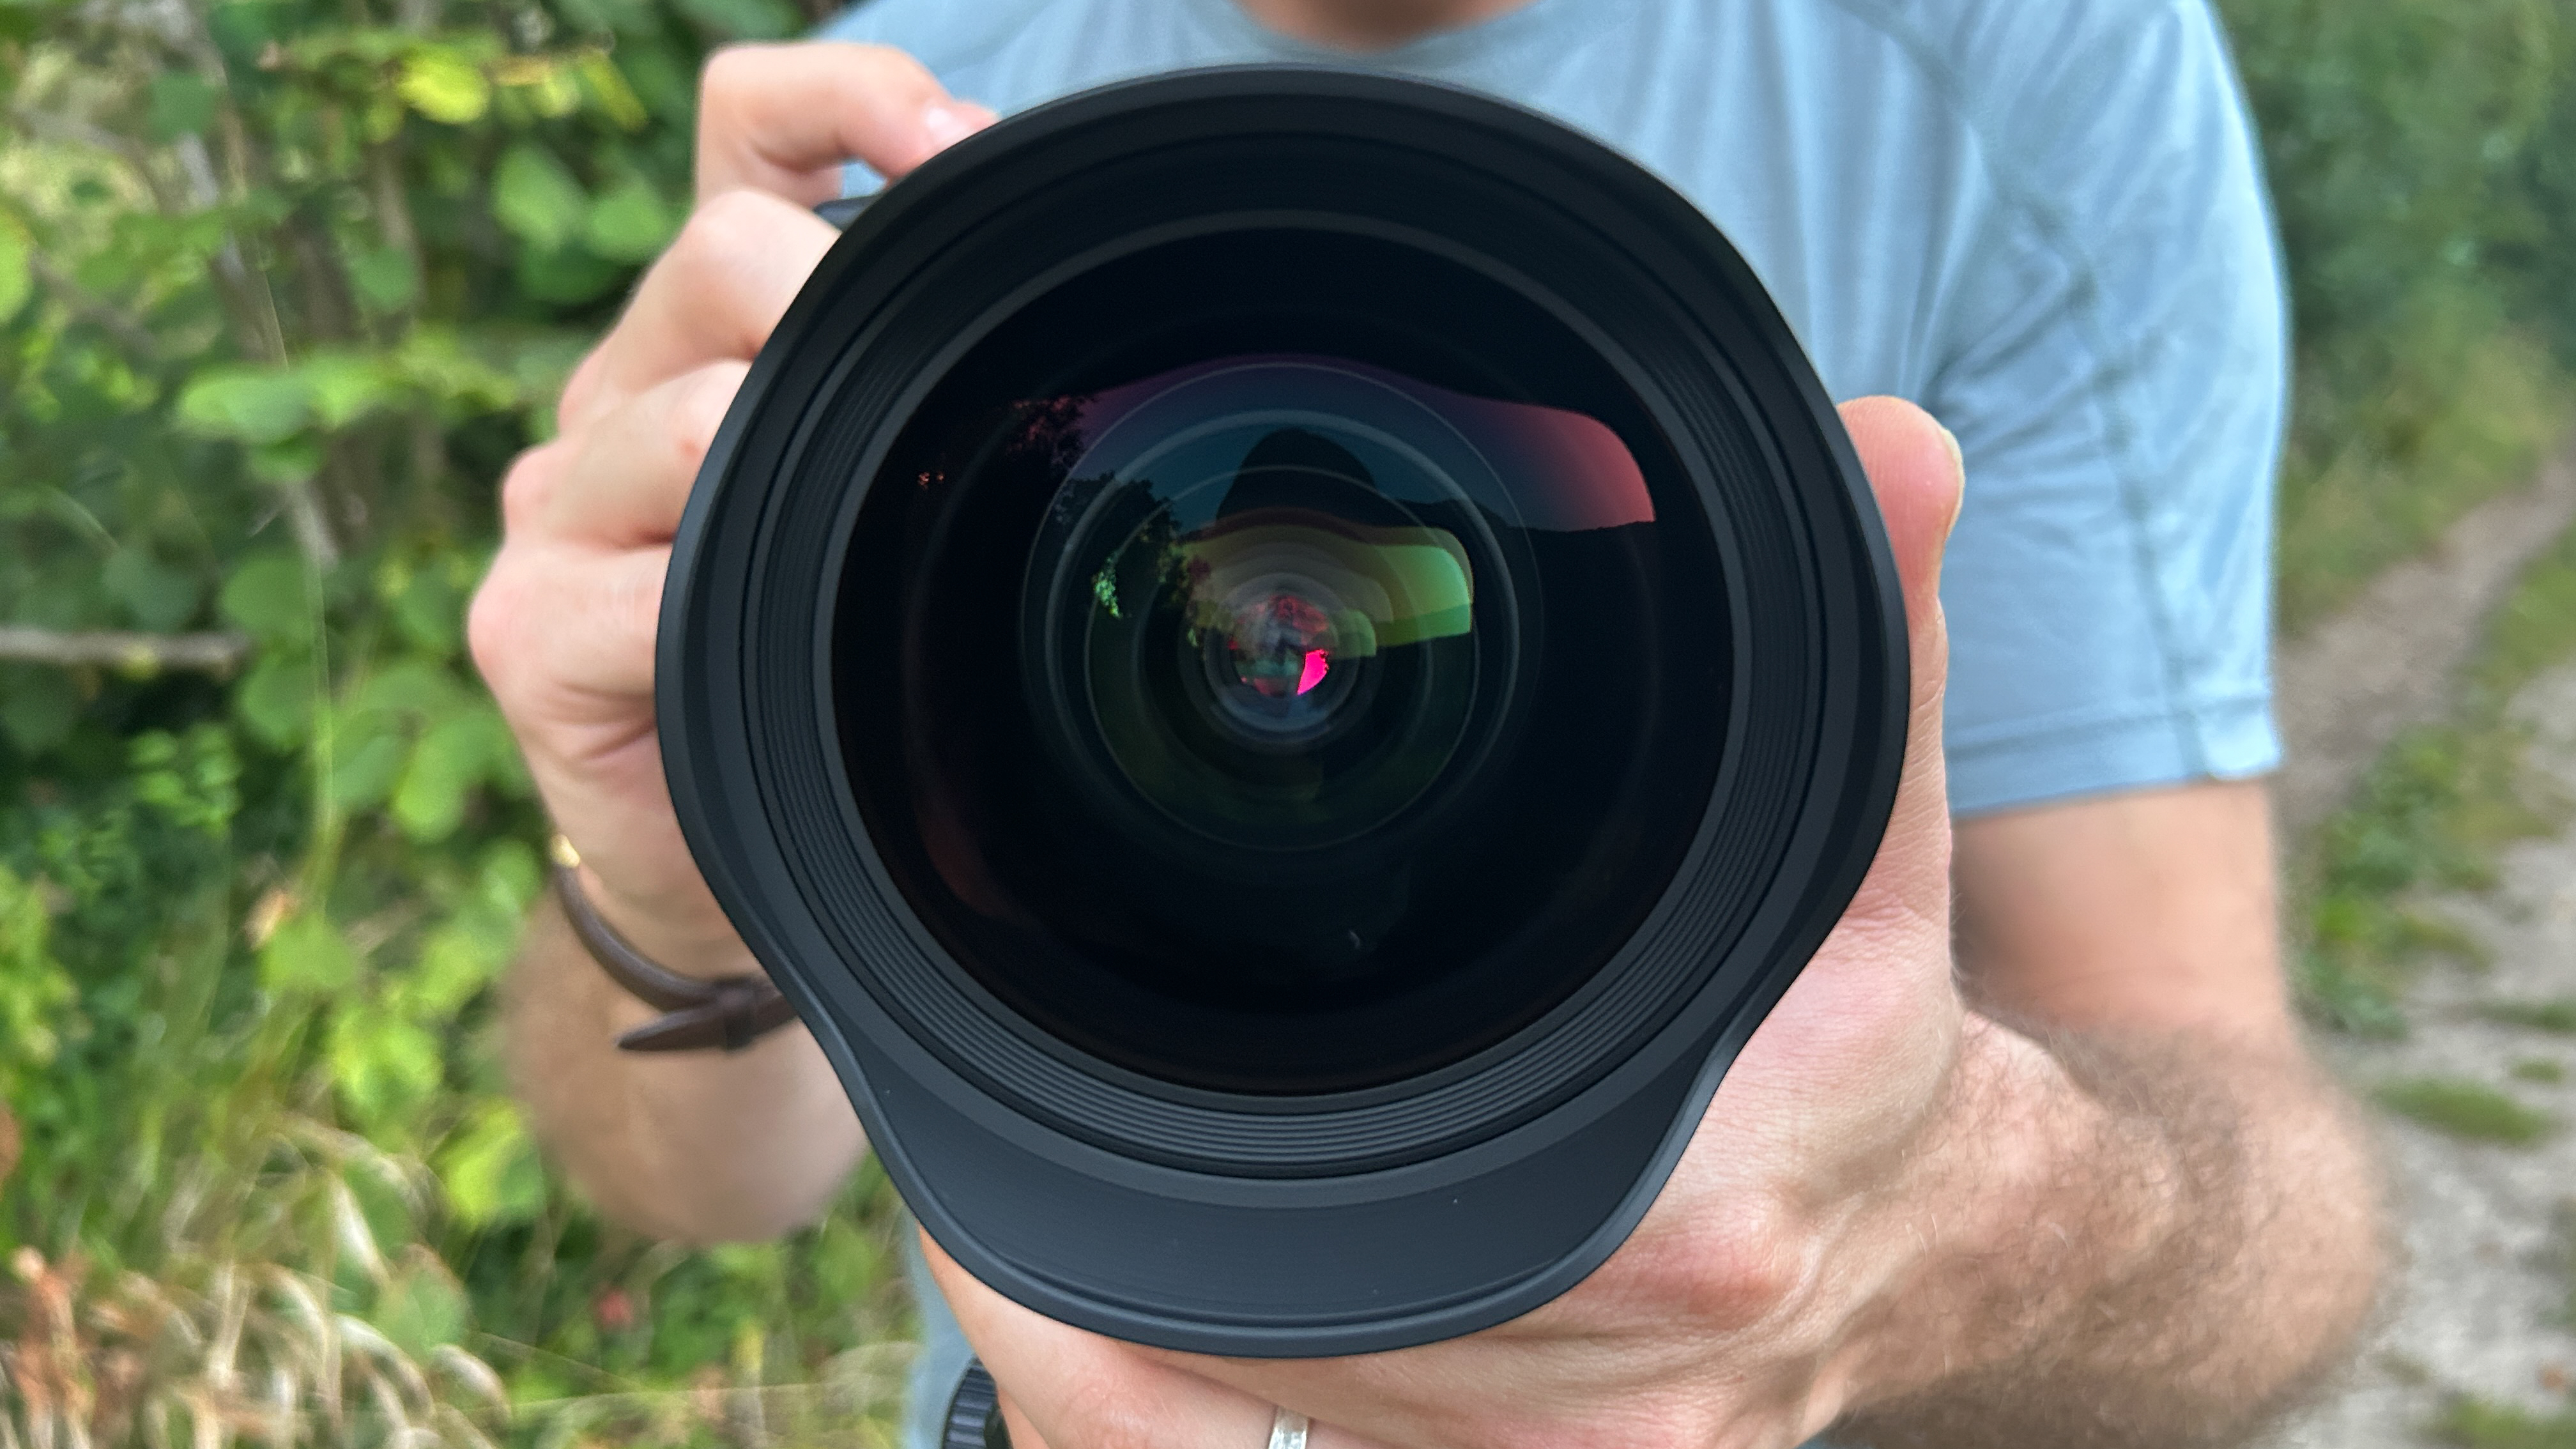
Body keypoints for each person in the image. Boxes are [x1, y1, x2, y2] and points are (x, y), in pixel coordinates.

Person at [468, 0, 2388, 1444]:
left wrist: (1938, 1233)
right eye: (1242, 623)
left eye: (1331, 623)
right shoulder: (903, 124)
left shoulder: (2021, 70)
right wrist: (690, 871)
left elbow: (2274, 1224)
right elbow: (693, 1185)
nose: (1287, 651)